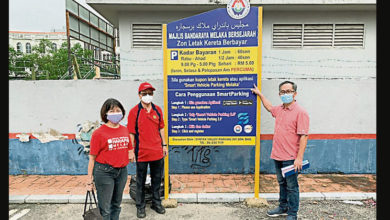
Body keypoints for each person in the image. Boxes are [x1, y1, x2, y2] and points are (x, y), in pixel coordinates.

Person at [251, 81, 309, 220]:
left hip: (291, 157)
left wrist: (299, 158)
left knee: (292, 186)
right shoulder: (280, 109)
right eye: (283, 92)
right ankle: (282, 207)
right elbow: (269, 107)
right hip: (277, 155)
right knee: (281, 183)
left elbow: (304, 136)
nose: (285, 94)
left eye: (288, 91)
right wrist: (260, 94)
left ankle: (292, 213)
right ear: (279, 94)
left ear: (295, 93)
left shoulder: (300, 112)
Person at [86, 98, 135, 220]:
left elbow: (129, 146)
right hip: (104, 172)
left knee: (116, 205)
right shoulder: (99, 133)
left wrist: (131, 153)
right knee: (105, 208)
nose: (115, 113)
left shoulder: (124, 130)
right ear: (105, 114)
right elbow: (92, 158)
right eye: (112, 111)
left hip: (122, 172)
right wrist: (89, 181)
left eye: (118, 110)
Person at [127, 82, 168, 218]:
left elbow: (161, 128)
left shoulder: (157, 110)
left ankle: (157, 203)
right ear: (139, 95)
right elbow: (131, 132)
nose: (148, 96)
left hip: (157, 151)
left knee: (157, 179)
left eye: (150, 93)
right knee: (141, 181)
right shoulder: (134, 112)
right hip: (141, 153)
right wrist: (131, 150)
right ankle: (140, 206)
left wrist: (164, 145)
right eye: (145, 94)